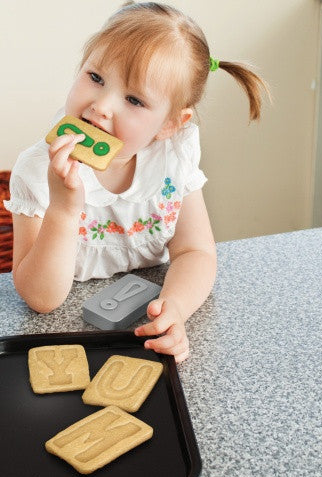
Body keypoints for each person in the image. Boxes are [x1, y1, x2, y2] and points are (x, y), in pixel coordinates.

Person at [5, 1, 268, 363]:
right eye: (95, 78)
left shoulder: (172, 157)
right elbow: (39, 299)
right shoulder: (37, 169)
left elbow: (196, 252)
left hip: (142, 330)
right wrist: (64, 211)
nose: (101, 106)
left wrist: (174, 308)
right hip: (68, 340)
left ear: (170, 124)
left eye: (133, 99)